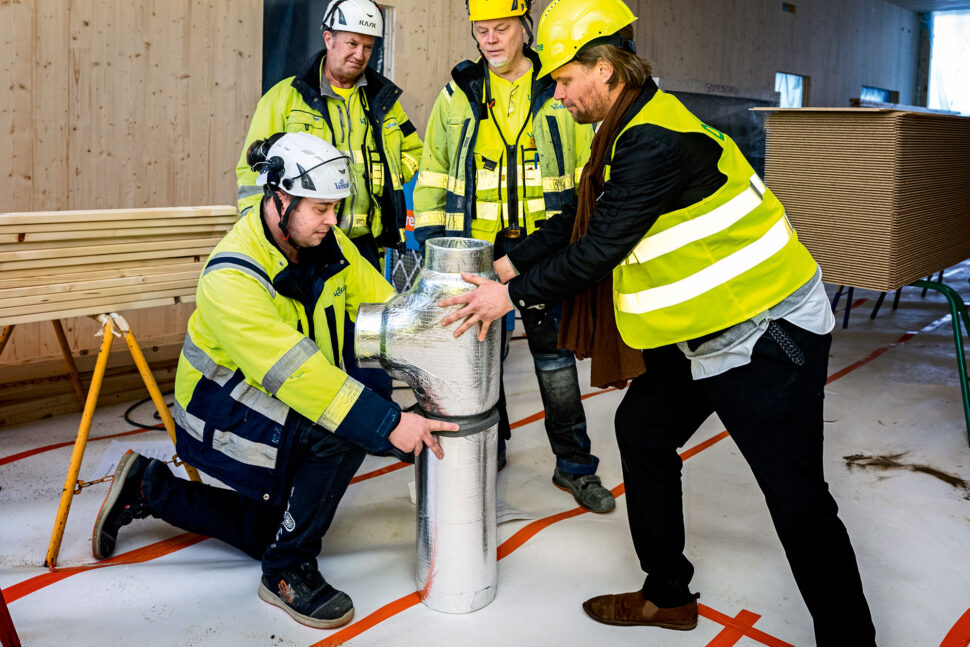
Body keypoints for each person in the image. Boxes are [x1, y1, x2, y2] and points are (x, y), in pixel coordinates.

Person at [438, 0, 876, 643]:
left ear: (607, 70)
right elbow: (578, 221)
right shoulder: (625, 125)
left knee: (798, 501)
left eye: (563, 80)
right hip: (706, 333)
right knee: (643, 432)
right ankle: (667, 596)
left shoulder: (654, 139)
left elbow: (598, 249)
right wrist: (508, 265)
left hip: (766, 334)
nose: (556, 96)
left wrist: (511, 298)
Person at [91, 132, 457, 630]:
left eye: (337, 208)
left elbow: (384, 309)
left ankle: (148, 487)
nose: (334, 220)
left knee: (264, 527)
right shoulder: (232, 276)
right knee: (347, 426)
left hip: (274, 397)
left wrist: (441, 328)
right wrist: (390, 424)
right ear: (280, 199)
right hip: (216, 405)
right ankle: (286, 572)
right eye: (322, 208)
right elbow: (298, 375)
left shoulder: (326, 242)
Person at [413, 0, 613, 513]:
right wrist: (438, 245)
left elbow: (591, 167)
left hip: (545, 244)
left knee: (553, 359)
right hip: (475, 251)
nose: (490, 40)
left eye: (501, 29)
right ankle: (490, 449)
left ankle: (575, 467)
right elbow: (434, 171)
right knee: (482, 355)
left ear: (524, 26)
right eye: (481, 31)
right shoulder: (457, 94)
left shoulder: (558, 88)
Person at [237, 0, 423, 399]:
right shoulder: (285, 99)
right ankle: (322, 424)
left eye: (369, 47)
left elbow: (415, 152)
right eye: (351, 43)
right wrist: (268, 239)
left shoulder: (381, 100)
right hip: (306, 245)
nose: (359, 54)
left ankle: (378, 420)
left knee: (371, 343)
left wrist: (389, 175)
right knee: (313, 340)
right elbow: (252, 176)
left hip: (364, 242)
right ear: (329, 39)